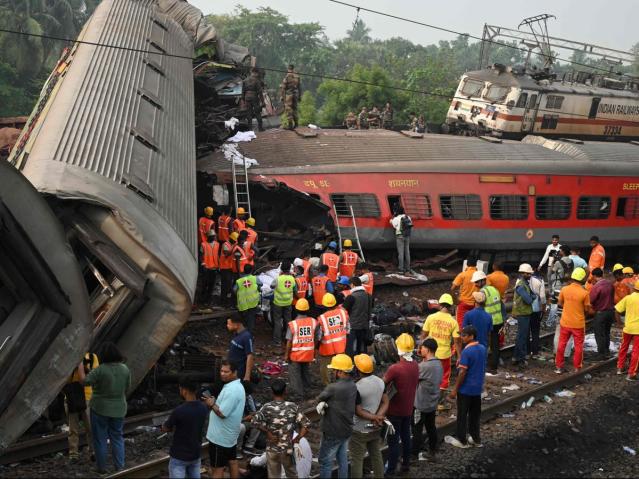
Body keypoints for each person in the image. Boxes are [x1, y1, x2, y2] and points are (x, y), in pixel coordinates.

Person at [78, 342, 131, 474]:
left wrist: (79, 366)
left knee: (100, 438)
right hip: (119, 408)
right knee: (117, 437)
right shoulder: (125, 369)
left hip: (99, 408)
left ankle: (102, 468)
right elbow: (127, 388)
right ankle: (120, 466)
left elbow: (84, 382)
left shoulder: (100, 370)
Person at [252, 379, 310, 479]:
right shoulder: (293, 407)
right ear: (285, 391)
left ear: (272, 392)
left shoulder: (266, 407)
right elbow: (306, 425)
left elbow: (254, 422)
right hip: (287, 450)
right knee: (292, 474)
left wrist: (267, 433)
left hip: (272, 449)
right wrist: (298, 438)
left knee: (274, 475)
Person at [317, 354, 358, 479]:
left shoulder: (333, 387)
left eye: (334, 370)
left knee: (325, 462)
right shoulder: (353, 385)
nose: (332, 372)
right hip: (346, 430)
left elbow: (320, 398)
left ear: (340, 372)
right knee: (342, 460)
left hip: (332, 431)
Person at [384, 333, 419, 476]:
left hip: (394, 411)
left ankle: (390, 470)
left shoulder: (395, 368)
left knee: (393, 442)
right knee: (406, 437)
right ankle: (405, 465)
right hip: (408, 409)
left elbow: (382, 383)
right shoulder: (415, 365)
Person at [446, 326, 487, 449]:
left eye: (464, 335)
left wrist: (455, 390)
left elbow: (462, 372)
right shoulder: (482, 348)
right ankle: (476, 439)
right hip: (477, 388)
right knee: (475, 415)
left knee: (462, 415)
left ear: (471, 336)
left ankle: (462, 440)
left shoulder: (467, 352)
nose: (461, 337)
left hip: (466, 389)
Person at [204, 361, 246, 479]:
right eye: (221, 371)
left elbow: (222, 413)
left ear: (234, 372)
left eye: (226, 372)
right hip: (229, 435)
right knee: (232, 462)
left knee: (218, 469)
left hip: (220, 437)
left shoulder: (231, 390)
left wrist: (212, 404)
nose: (222, 374)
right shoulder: (236, 386)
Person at [162, 376, 209, 479]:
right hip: (195, 454)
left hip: (179, 456)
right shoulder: (203, 407)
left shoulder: (179, 410)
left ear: (184, 390)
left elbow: (166, 428)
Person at [421, 293, 461, 409]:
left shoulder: (431, 317)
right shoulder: (453, 322)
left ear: (439, 305)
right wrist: (459, 356)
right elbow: (457, 341)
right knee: (443, 378)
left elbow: (423, 335)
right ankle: (438, 402)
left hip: (429, 353)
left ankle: (425, 399)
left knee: (427, 376)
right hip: (444, 355)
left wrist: (421, 349)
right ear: (451, 306)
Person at [350, 354, 388, 478]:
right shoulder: (380, 382)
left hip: (359, 429)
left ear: (358, 369)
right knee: (376, 454)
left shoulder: (357, 387)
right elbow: (386, 401)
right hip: (376, 427)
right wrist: (379, 416)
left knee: (357, 459)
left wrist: (375, 417)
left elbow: (359, 411)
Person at [64, 352, 99, 462]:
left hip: (87, 396)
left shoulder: (92, 357)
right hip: (72, 396)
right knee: (73, 428)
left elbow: (96, 375)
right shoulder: (68, 357)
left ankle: (93, 451)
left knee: (90, 427)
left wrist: (83, 369)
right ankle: (73, 454)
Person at [412, 338, 443, 462]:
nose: (421, 350)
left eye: (422, 348)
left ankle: (413, 455)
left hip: (420, 404)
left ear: (428, 349)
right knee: (431, 427)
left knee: (416, 429)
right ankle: (432, 451)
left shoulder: (424, 366)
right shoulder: (438, 364)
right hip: (432, 403)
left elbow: (413, 379)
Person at [555, 268, 591, 374]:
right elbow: (587, 310)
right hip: (578, 324)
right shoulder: (585, 293)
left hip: (565, 322)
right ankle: (577, 367)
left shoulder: (564, 289)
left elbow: (560, 304)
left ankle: (559, 366)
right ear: (582, 278)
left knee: (561, 344)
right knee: (578, 346)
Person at [471, 271, 504, 373]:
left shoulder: (482, 292)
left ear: (482, 281)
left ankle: (482, 365)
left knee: (483, 343)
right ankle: (494, 366)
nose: (475, 284)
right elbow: (501, 305)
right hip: (498, 320)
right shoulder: (494, 289)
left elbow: (479, 307)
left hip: (488, 321)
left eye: (476, 282)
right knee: (495, 344)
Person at [285, 299, 318, 398]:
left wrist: (286, 355)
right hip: (308, 353)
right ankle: (307, 388)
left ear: (296, 309)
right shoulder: (313, 322)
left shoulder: (293, 324)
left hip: (296, 355)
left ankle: (298, 394)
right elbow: (315, 338)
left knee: (295, 374)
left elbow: (289, 342)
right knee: (305, 371)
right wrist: (313, 351)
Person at [317, 293, 350, 385]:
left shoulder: (322, 318)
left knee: (326, 368)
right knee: (341, 366)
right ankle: (342, 383)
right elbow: (348, 329)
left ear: (324, 305)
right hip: (341, 346)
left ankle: (328, 386)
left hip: (327, 348)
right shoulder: (343, 313)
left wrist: (317, 346)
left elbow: (319, 336)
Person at [512, 264, 537, 367]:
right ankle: (519, 358)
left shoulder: (525, 284)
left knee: (522, 336)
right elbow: (529, 299)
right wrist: (532, 297)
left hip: (525, 313)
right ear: (522, 273)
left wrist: (532, 296)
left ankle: (517, 357)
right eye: (528, 273)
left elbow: (533, 295)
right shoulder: (522, 285)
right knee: (522, 337)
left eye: (530, 273)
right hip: (522, 313)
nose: (530, 275)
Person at [615, 280, 639, 380]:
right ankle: (631, 373)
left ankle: (620, 368)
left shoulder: (628, 298)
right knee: (636, 351)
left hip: (627, 328)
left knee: (623, 348)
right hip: (638, 330)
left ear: (634, 288)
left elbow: (617, 310)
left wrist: (619, 323)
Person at [589, 267, 615, 359]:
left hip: (601, 313)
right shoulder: (610, 284)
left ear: (594, 276)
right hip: (611, 312)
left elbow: (591, 300)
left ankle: (601, 354)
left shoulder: (596, 287)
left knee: (599, 333)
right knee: (607, 332)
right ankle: (607, 351)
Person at [271, 261, 296, 346]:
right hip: (288, 302)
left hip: (278, 303)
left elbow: (271, 286)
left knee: (277, 321)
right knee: (288, 321)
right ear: (289, 269)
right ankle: (288, 339)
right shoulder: (292, 278)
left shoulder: (278, 278)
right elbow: (295, 290)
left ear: (281, 269)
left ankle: (277, 341)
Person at [343, 276, 370, 356]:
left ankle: (353, 364)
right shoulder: (368, 295)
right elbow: (369, 310)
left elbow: (344, 311)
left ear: (352, 285)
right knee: (362, 348)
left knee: (352, 349)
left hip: (353, 327)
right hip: (364, 325)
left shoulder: (351, 297)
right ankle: (364, 364)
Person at [451, 257, 479, 328]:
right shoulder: (480, 275)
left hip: (463, 303)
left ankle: (461, 338)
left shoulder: (462, 275)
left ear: (467, 264)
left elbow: (452, 288)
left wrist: (456, 300)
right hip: (475, 304)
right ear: (476, 265)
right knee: (473, 324)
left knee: (460, 325)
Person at [233, 264, 261, 332]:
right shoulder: (255, 278)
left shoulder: (239, 281)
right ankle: (249, 333)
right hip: (253, 301)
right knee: (251, 318)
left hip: (243, 302)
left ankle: (242, 331)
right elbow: (260, 284)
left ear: (244, 271)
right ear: (251, 270)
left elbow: (234, 290)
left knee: (243, 317)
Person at [227, 317, 254, 383]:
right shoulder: (236, 333)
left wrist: (247, 376)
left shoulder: (246, 336)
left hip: (239, 371)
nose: (227, 326)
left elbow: (250, 356)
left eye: (229, 324)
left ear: (236, 325)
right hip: (232, 368)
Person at [199, 230, 220, 307]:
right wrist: (203, 264)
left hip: (214, 268)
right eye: (213, 237)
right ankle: (202, 300)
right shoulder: (203, 244)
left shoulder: (217, 244)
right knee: (205, 284)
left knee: (211, 285)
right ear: (209, 237)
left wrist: (218, 265)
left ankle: (208, 300)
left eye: (214, 236)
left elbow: (217, 255)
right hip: (206, 267)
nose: (214, 238)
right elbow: (201, 255)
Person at [529, 271, 546, 359]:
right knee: (535, 331)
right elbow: (542, 297)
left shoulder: (520, 280)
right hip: (536, 309)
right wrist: (543, 307)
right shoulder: (540, 281)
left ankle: (527, 351)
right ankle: (535, 352)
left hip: (525, 309)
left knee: (526, 331)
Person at [390, 206, 412, 274]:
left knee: (401, 253)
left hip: (400, 237)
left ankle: (401, 268)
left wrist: (391, 221)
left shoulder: (396, 218)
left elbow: (394, 225)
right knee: (407, 252)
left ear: (396, 211)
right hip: (407, 236)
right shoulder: (408, 217)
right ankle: (408, 268)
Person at [219, 232, 237, 308]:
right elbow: (226, 254)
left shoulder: (233, 244)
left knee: (229, 284)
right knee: (225, 285)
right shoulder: (225, 244)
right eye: (234, 240)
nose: (235, 242)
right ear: (231, 239)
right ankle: (223, 301)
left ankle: (227, 300)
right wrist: (234, 248)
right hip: (224, 268)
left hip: (230, 267)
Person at [280, 64, 300, 129]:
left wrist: (283, 97)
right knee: (295, 109)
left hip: (289, 95)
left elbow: (283, 88)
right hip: (296, 94)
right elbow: (300, 87)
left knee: (288, 109)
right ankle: (296, 124)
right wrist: (299, 96)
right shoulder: (297, 76)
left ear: (288, 68)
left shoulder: (287, 76)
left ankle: (290, 125)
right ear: (293, 68)